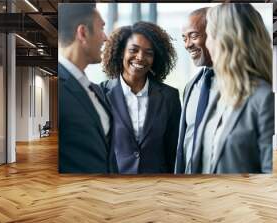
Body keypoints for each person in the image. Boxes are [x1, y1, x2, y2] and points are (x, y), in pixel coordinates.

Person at [190, 3, 274, 174]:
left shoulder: (264, 99)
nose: (207, 44)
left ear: (227, 41)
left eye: (210, 36)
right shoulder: (219, 94)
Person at [101, 21, 181, 174]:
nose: (140, 57)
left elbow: (173, 151)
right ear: (120, 52)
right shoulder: (101, 94)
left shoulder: (170, 97)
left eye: (149, 53)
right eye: (134, 50)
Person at [58, 3, 116, 173]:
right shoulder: (59, 91)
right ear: (83, 33)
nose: (106, 38)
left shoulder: (95, 90)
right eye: (101, 28)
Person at [175, 8, 215, 174]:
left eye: (193, 36)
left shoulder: (243, 85)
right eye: (184, 38)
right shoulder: (191, 86)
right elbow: (184, 142)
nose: (187, 45)